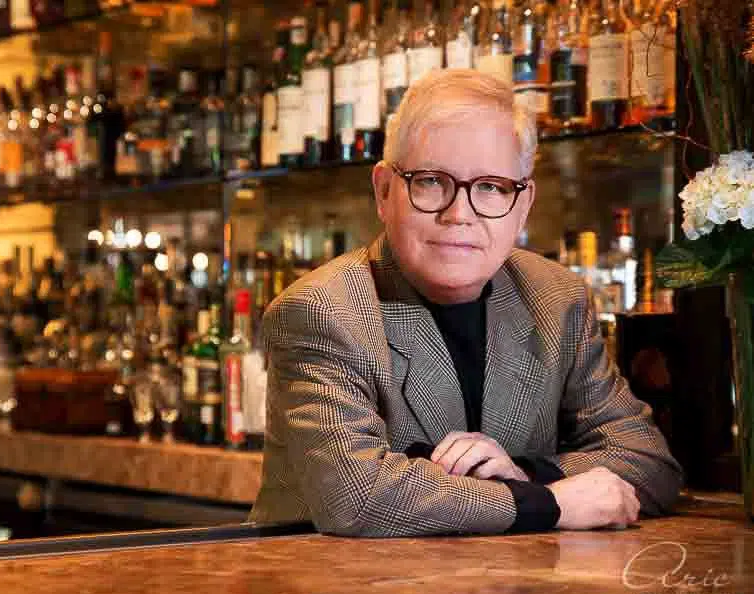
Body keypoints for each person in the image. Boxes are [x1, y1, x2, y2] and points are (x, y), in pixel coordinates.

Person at [248, 69, 683, 537]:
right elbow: (357, 496)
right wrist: (548, 503)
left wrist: (527, 475)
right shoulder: (322, 311)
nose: (459, 214)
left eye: (492, 187)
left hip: (520, 593)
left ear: (524, 205)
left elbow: (649, 464)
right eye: (432, 181)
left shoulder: (557, 299)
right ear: (384, 191)